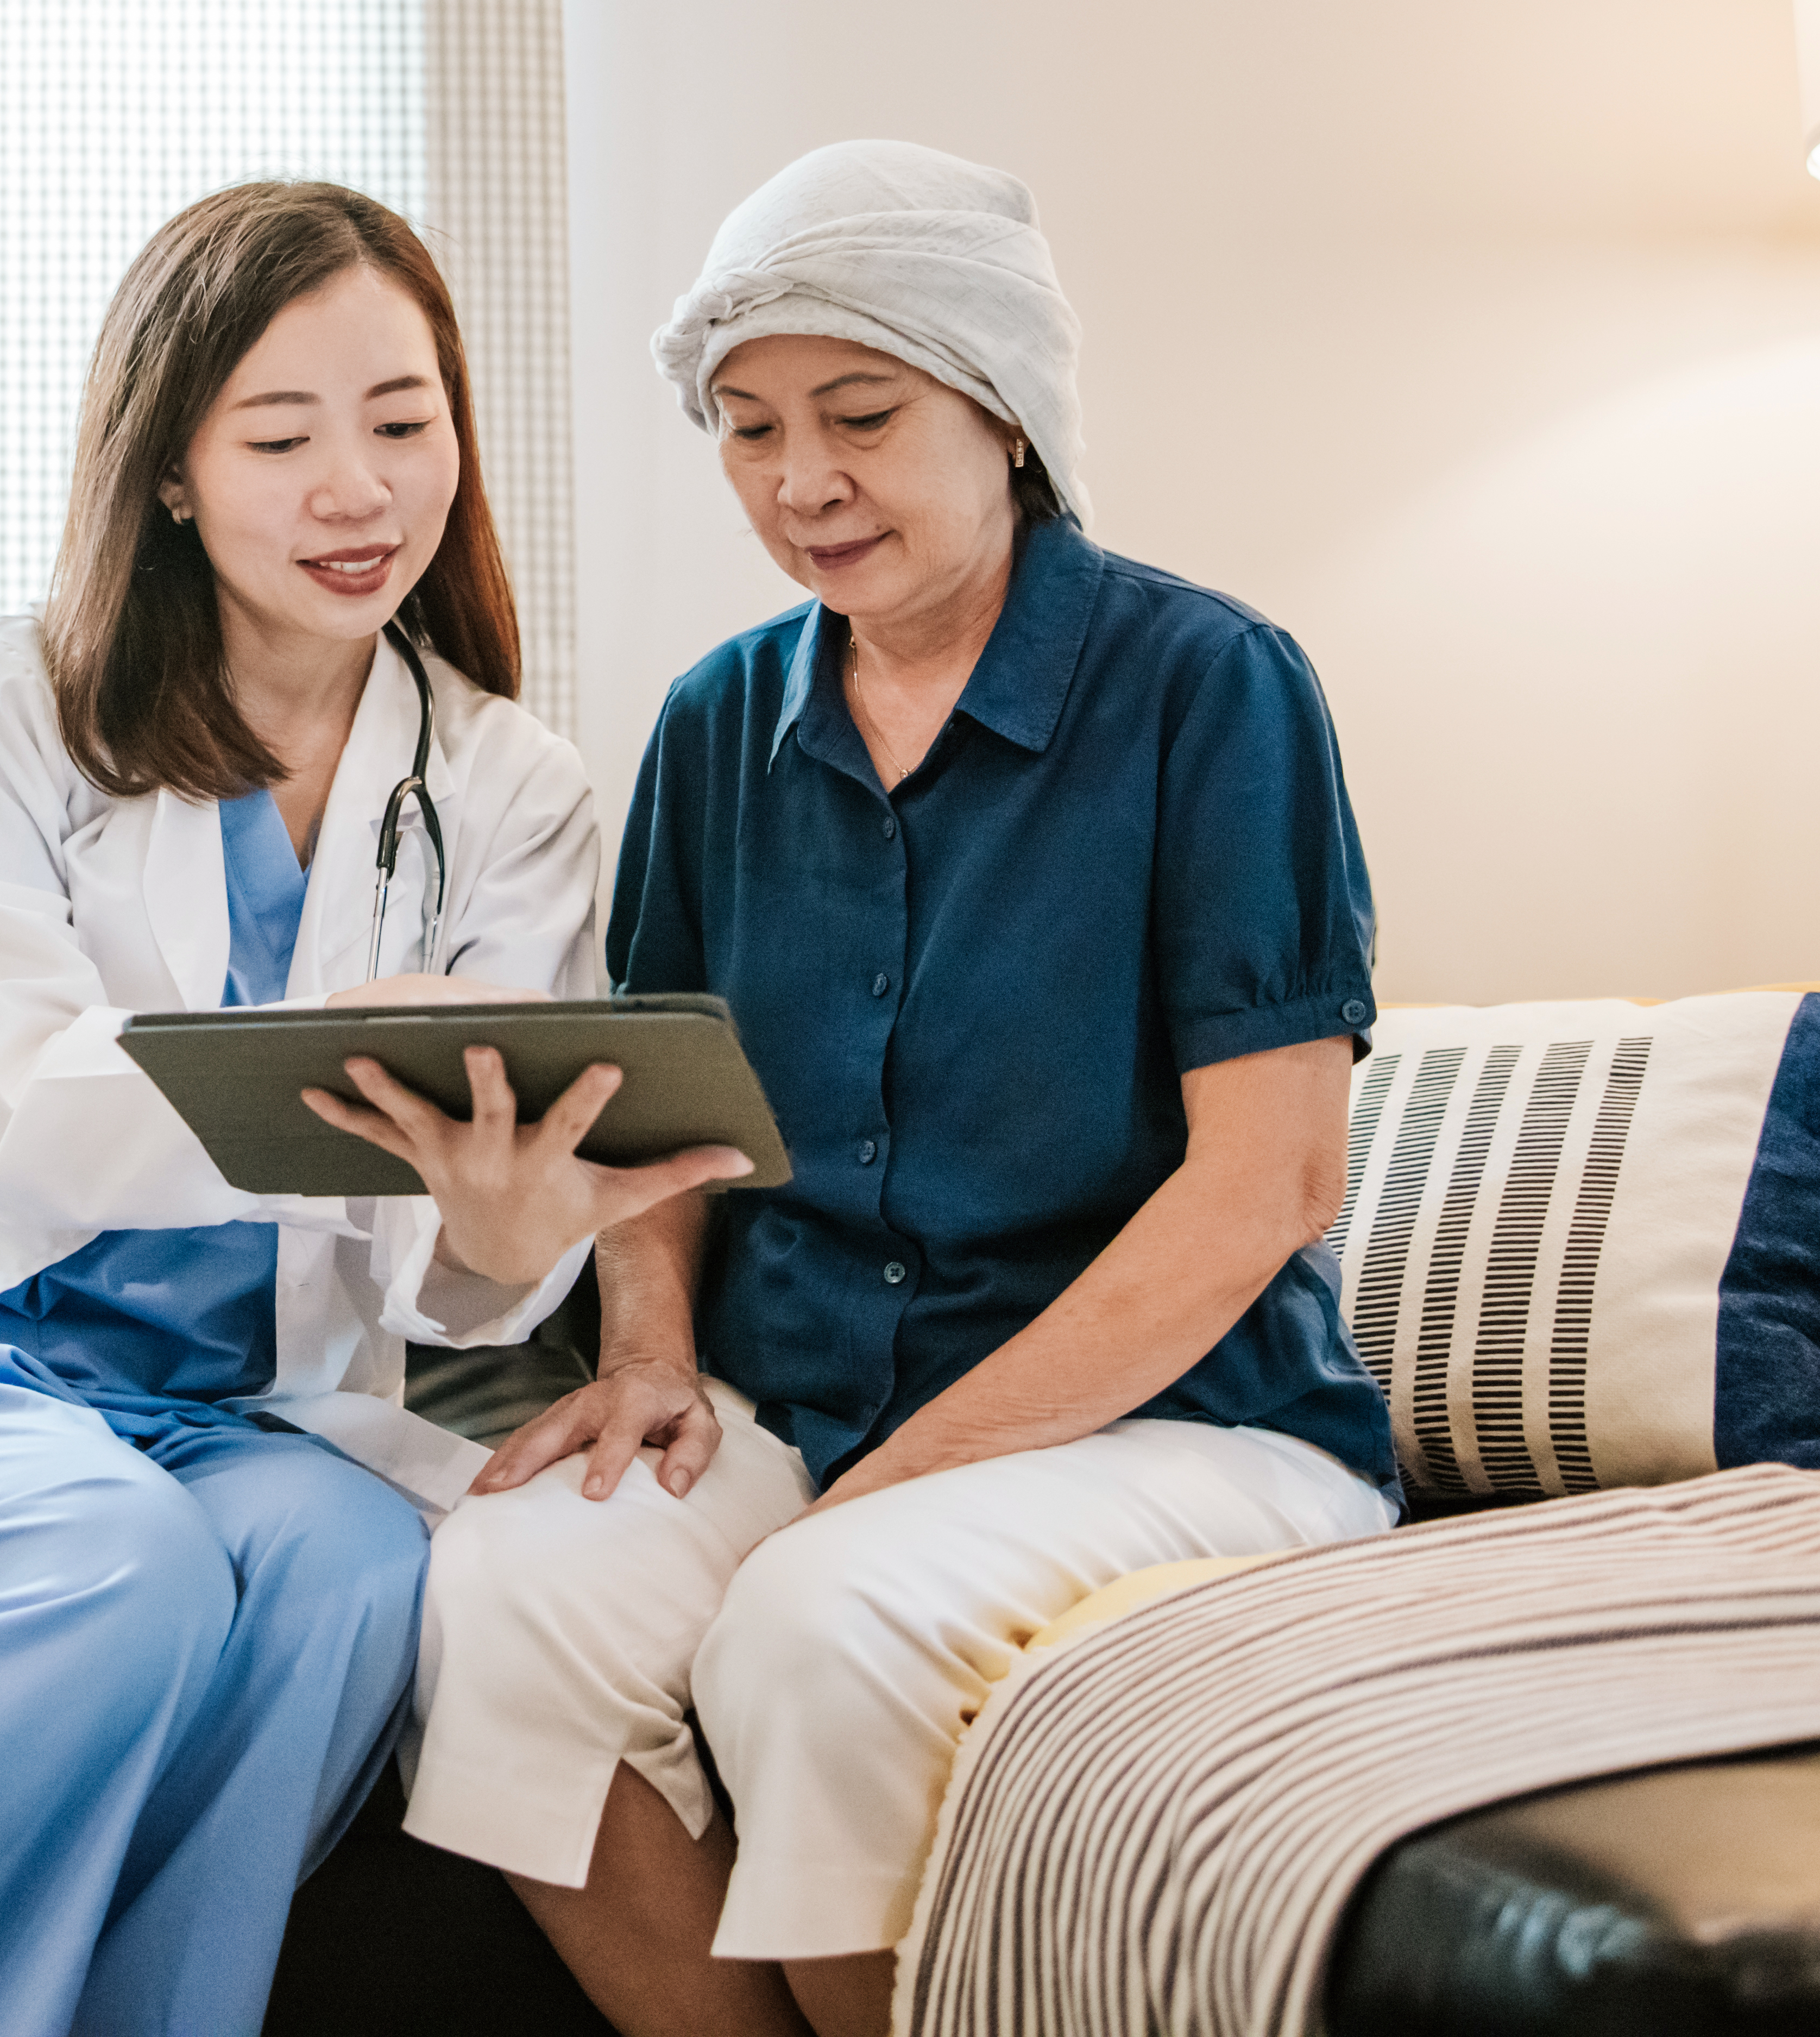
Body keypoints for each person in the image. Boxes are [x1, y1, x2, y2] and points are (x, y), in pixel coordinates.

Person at [0, 180, 744, 2037]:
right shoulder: (4, 705)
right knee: (110, 1578)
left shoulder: (506, 781)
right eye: (280, 438)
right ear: (174, 475)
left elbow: (461, 1290)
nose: (357, 490)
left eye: (403, 421)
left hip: (231, 1409)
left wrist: (515, 1244)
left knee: (361, 1576)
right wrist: (339, 1035)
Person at [399, 140, 1401, 2037]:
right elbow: (660, 1124)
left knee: (813, 1623)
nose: (802, 482)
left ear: (1005, 411)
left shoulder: (1213, 689)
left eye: (862, 414)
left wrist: (910, 1475)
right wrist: (646, 1359)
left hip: (1188, 1429)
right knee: (507, 1601)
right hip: (814, 1415)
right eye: (751, 427)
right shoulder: (717, 723)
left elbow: (1265, 1182)